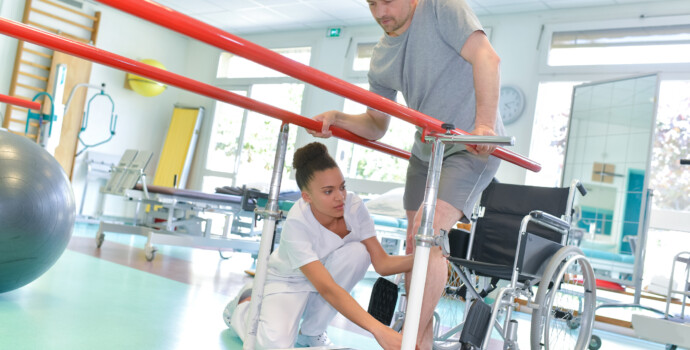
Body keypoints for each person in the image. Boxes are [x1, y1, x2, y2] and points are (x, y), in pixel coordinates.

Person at [309, 0, 504, 348]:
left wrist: (485, 124)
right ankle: (420, 342)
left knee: (429, 233)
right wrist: (339, 119)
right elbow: (375, 125)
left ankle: (408, 338)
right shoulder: (382, 55)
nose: (381, 12)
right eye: (372, 3)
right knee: (417, 244)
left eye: (389, 1)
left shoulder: (442, 8)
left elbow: (487, 57)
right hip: (426, 150)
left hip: (469, 146)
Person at [223, 142, 414, 349]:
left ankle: (310, 334)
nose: (340, 197)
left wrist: (425, 258)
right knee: (274, 345)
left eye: (342, 187)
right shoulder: (298, 221)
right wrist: (379, 330)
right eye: (328, 191)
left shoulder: (355, 206)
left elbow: (382, 263)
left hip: (327, 277)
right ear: (307, 197)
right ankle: (240, 309)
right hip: (288, 280)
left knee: (359, 252)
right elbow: (328, 288)